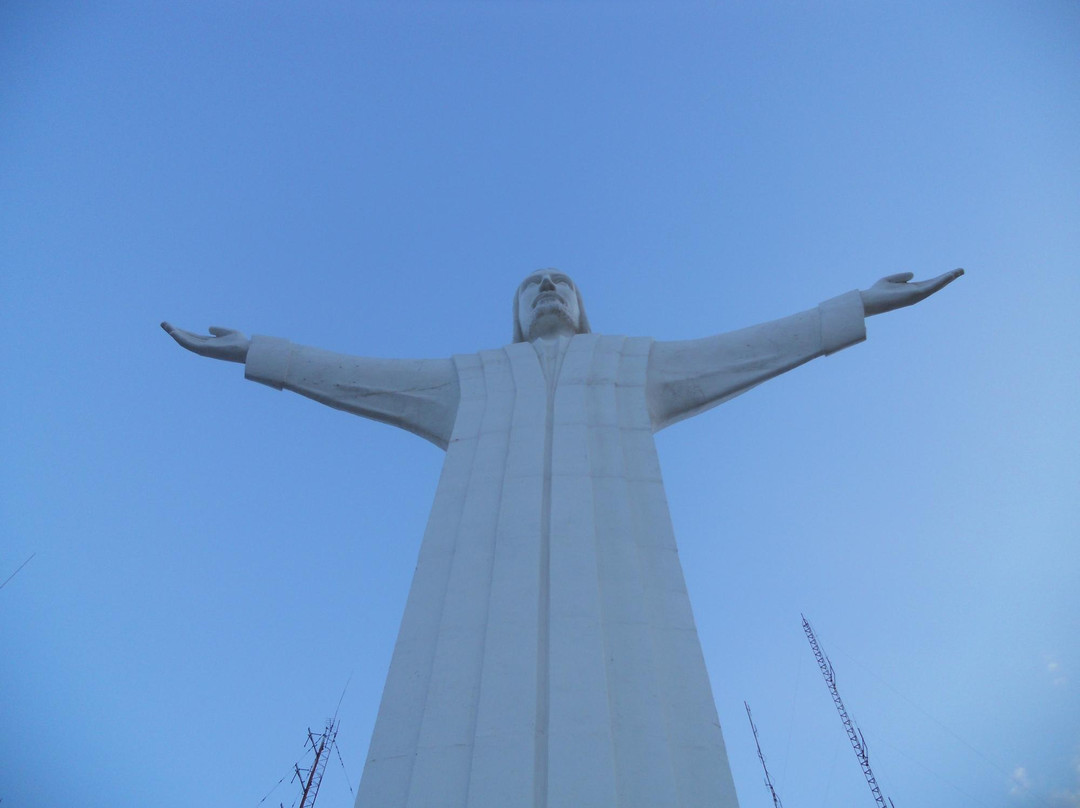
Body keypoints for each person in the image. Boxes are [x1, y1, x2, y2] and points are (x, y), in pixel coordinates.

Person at [164, 267, 962, 808]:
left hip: (621, 605)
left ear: (583, 307)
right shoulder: (469, 380)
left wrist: (854, 306)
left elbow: (748, 350)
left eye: (562, 283)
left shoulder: (630, 364)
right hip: (473, 613)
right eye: (533, 286)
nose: (548, 290)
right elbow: (355, 374)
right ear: (516, 314)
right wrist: (259, 354)